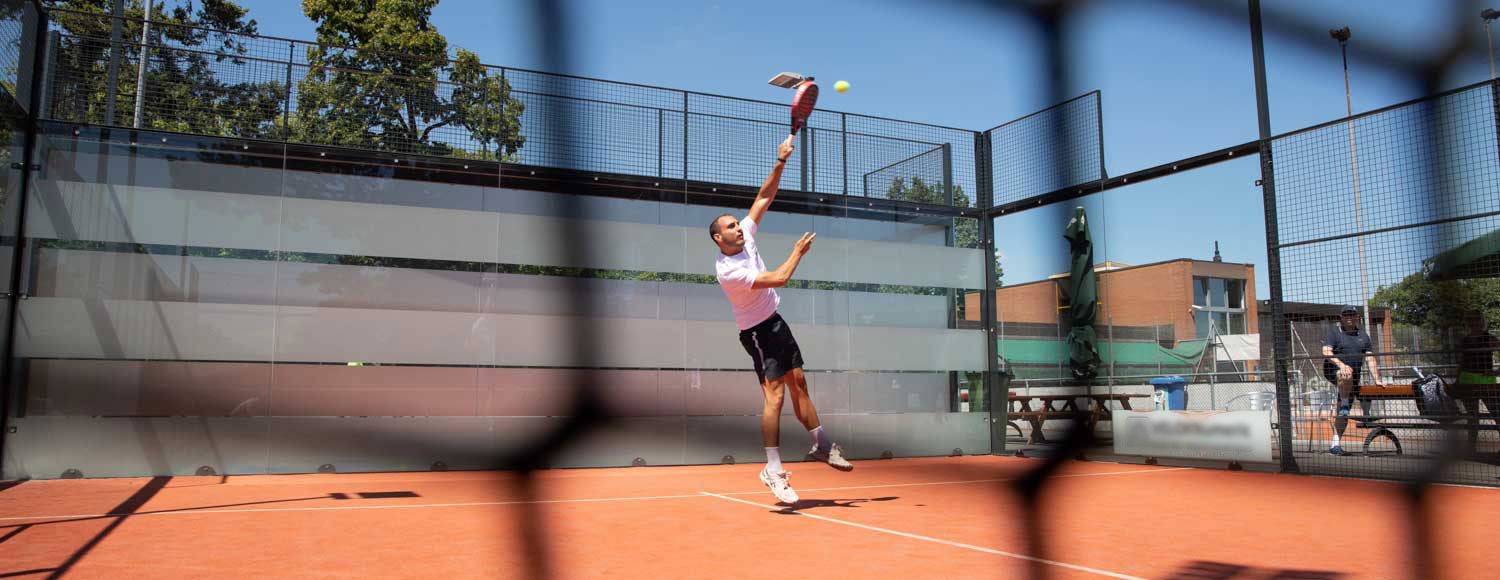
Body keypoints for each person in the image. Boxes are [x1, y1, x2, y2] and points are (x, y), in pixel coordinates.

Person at [710, 134, 853, 504]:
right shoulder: (728, 270)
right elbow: (779, 278)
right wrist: (797, 252)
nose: (738, 228)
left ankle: (821, 443)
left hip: (776, 321)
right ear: (717, 238)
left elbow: (762, 198)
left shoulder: (747, 236)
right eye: (730, 227)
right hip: (756, 332)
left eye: (737, 224)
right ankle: (772, 469)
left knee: (799, 384)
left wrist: (781, 161)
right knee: (773, 398)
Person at [1322, 305, 1387, 456]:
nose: (1349, 317)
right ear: (1341, 318)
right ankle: (1345, 402)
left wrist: (1377, 379)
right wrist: (1341, 365)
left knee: (1343, 412)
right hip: (1333, 370)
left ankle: (1335, 444)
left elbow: (1370, 359)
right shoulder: (1335, 333)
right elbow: (1326, 351)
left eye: (1352, 314)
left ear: (1357, 317)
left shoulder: (1364, 336)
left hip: (1353, 378)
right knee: (1345, 374)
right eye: (1346, 315)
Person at [1457, 310, 1499, 425]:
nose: (1473, 322)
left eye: (1477, 319)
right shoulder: (1464, 340)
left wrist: (1497, 372)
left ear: (1482, 321)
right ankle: (1471, 443)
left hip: (1486, 380)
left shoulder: (1489, 338)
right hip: (1467, 380)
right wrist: (1457, 381)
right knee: (1472, 419)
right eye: (1470, 319)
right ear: (1466, 322)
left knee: (1497, 414)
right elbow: (1462, 362)